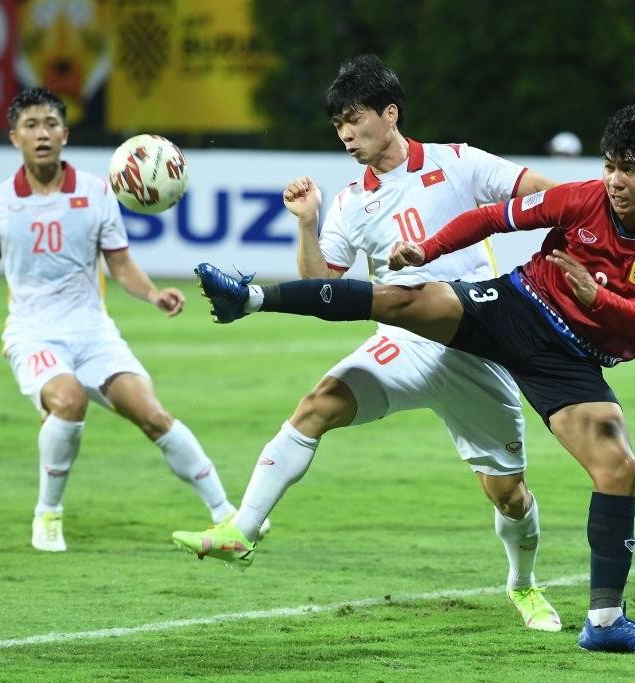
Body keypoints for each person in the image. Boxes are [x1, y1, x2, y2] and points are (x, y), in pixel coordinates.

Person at [179, 102, 635, 653]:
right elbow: (491, 220)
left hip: (568, 357)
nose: (615, 182)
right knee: (402, 303)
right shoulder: (583, 196)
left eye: (631, 170)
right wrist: (427, 250)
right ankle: (253, 297)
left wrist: (601, 299)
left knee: (613, 467)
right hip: (517, 306)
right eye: (610, 166)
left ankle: (603, 622)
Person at [173, 55, 562, 632]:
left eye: (355, 120)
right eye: (337, 127)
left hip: (478, 348)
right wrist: (307, 222)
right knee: (318, 405)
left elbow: (550, 196)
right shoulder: (353, 200)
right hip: (402, 342)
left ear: (390, 113)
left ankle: (523, 585)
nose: (347, 135)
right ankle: (242, 530)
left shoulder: (459, 163)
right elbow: (323, 285)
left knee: (508, 495)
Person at [0, 87, 245, 552]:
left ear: (65, 133)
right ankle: (48, 514)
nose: (42, 134)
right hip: (33, 334)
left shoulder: (98, 191)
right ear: (13, 137)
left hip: (93, 332)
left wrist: (153, 294)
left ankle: (229, 516)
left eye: (51, 125)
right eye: (31, 126)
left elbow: (120, 265)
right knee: (68, 399)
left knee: (154, 415)